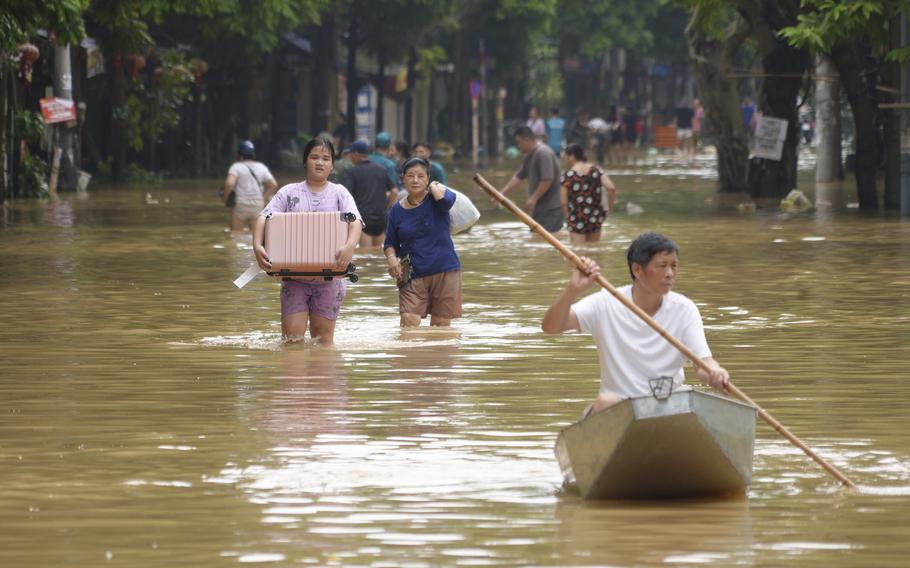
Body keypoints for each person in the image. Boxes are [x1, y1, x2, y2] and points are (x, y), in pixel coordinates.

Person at [541, 232, 731, 416]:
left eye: (674, 266)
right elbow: (551, 327)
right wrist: (572, 291)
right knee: (605, 402)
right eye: (662, 266)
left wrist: (715, 372)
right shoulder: (606, 303)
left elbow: (703, 363)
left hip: (668, 404)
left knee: (696, 402)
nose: (670, 274)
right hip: (621, 407)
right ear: (637, 270)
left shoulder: (684, 309)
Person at [253, 136, 363, 345]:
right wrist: (257, 246)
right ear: (305, 161)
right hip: (294, 280)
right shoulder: (288, 192)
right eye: (314, 157)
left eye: (325, 158)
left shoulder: (340, 193)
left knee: (323, 342)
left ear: (332, 164)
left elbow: (355, 220)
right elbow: (263, 217)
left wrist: (350, 246)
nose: (320, 162)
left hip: (331, 281)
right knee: (292, 340)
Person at [384, 157, 462, 328]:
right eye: (410, 176)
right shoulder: (396, 210)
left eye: (420, 176)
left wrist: (434, 187)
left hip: (445, 270)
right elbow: (390, 243)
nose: (415, 180)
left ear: (427, 179)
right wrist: (391, 258)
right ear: (403, 178)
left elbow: (447, 202)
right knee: (408, 322)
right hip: (413, 273)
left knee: (441, 326)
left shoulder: (437, 198)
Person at [498, 125, 564, 232]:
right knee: (536, 239)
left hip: (551, 210)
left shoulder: (543, 153)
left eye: (519, 142)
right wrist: (501, 193)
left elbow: (547, 179)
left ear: (527, 140)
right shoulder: (529, 155)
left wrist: (533, 198)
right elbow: (519, 176)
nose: (518, 146)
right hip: (539, 209)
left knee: (543, 242)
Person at [341, 139, 397, 248]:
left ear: (356, 154)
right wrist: (386, 207)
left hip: (363, 220)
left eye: (351, 154)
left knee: (365, 256)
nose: (350, 157)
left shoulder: (352, 172)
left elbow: (346, 196)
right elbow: (394, 191)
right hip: (381, 219)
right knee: (378, 256)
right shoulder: (381, 169)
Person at [560, 144, 616, 245]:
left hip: (576, 218)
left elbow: (563, 203)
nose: (566, 161)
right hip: (595, 217)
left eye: (566, 158)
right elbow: (611, 188)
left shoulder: (567, 176)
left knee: (579, 253)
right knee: (593, 252)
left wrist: (568, 218)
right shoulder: (596, 170)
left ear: (572, 157)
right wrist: (609, 209)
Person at [222, 140, 278, 231]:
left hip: (240, 205)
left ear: (240, 155)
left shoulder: (236, 167)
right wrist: (263, 199)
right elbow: (273, 185)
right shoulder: (261, 167)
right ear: (253, 155)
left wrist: (225, 199)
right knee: (256, 236)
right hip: (257, 205)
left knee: (237, 235)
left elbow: (229, 184)